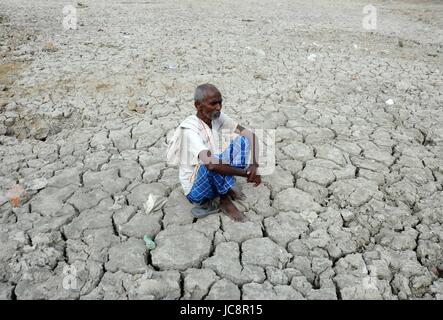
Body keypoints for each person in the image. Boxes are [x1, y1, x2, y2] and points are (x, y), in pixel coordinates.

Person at [166, 84, 261, 222]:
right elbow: (211, 165)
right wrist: (246, 174)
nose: (218, 107)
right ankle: (224, 200)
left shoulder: (216, 117)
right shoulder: (189, 129)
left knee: (241, 141)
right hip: (196, 189)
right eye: (213, 103)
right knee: (210, 163)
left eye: (220, 102)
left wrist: (254, 165)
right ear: (198, 105)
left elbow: (250, 136)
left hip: (212, 168)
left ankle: (225, 187)